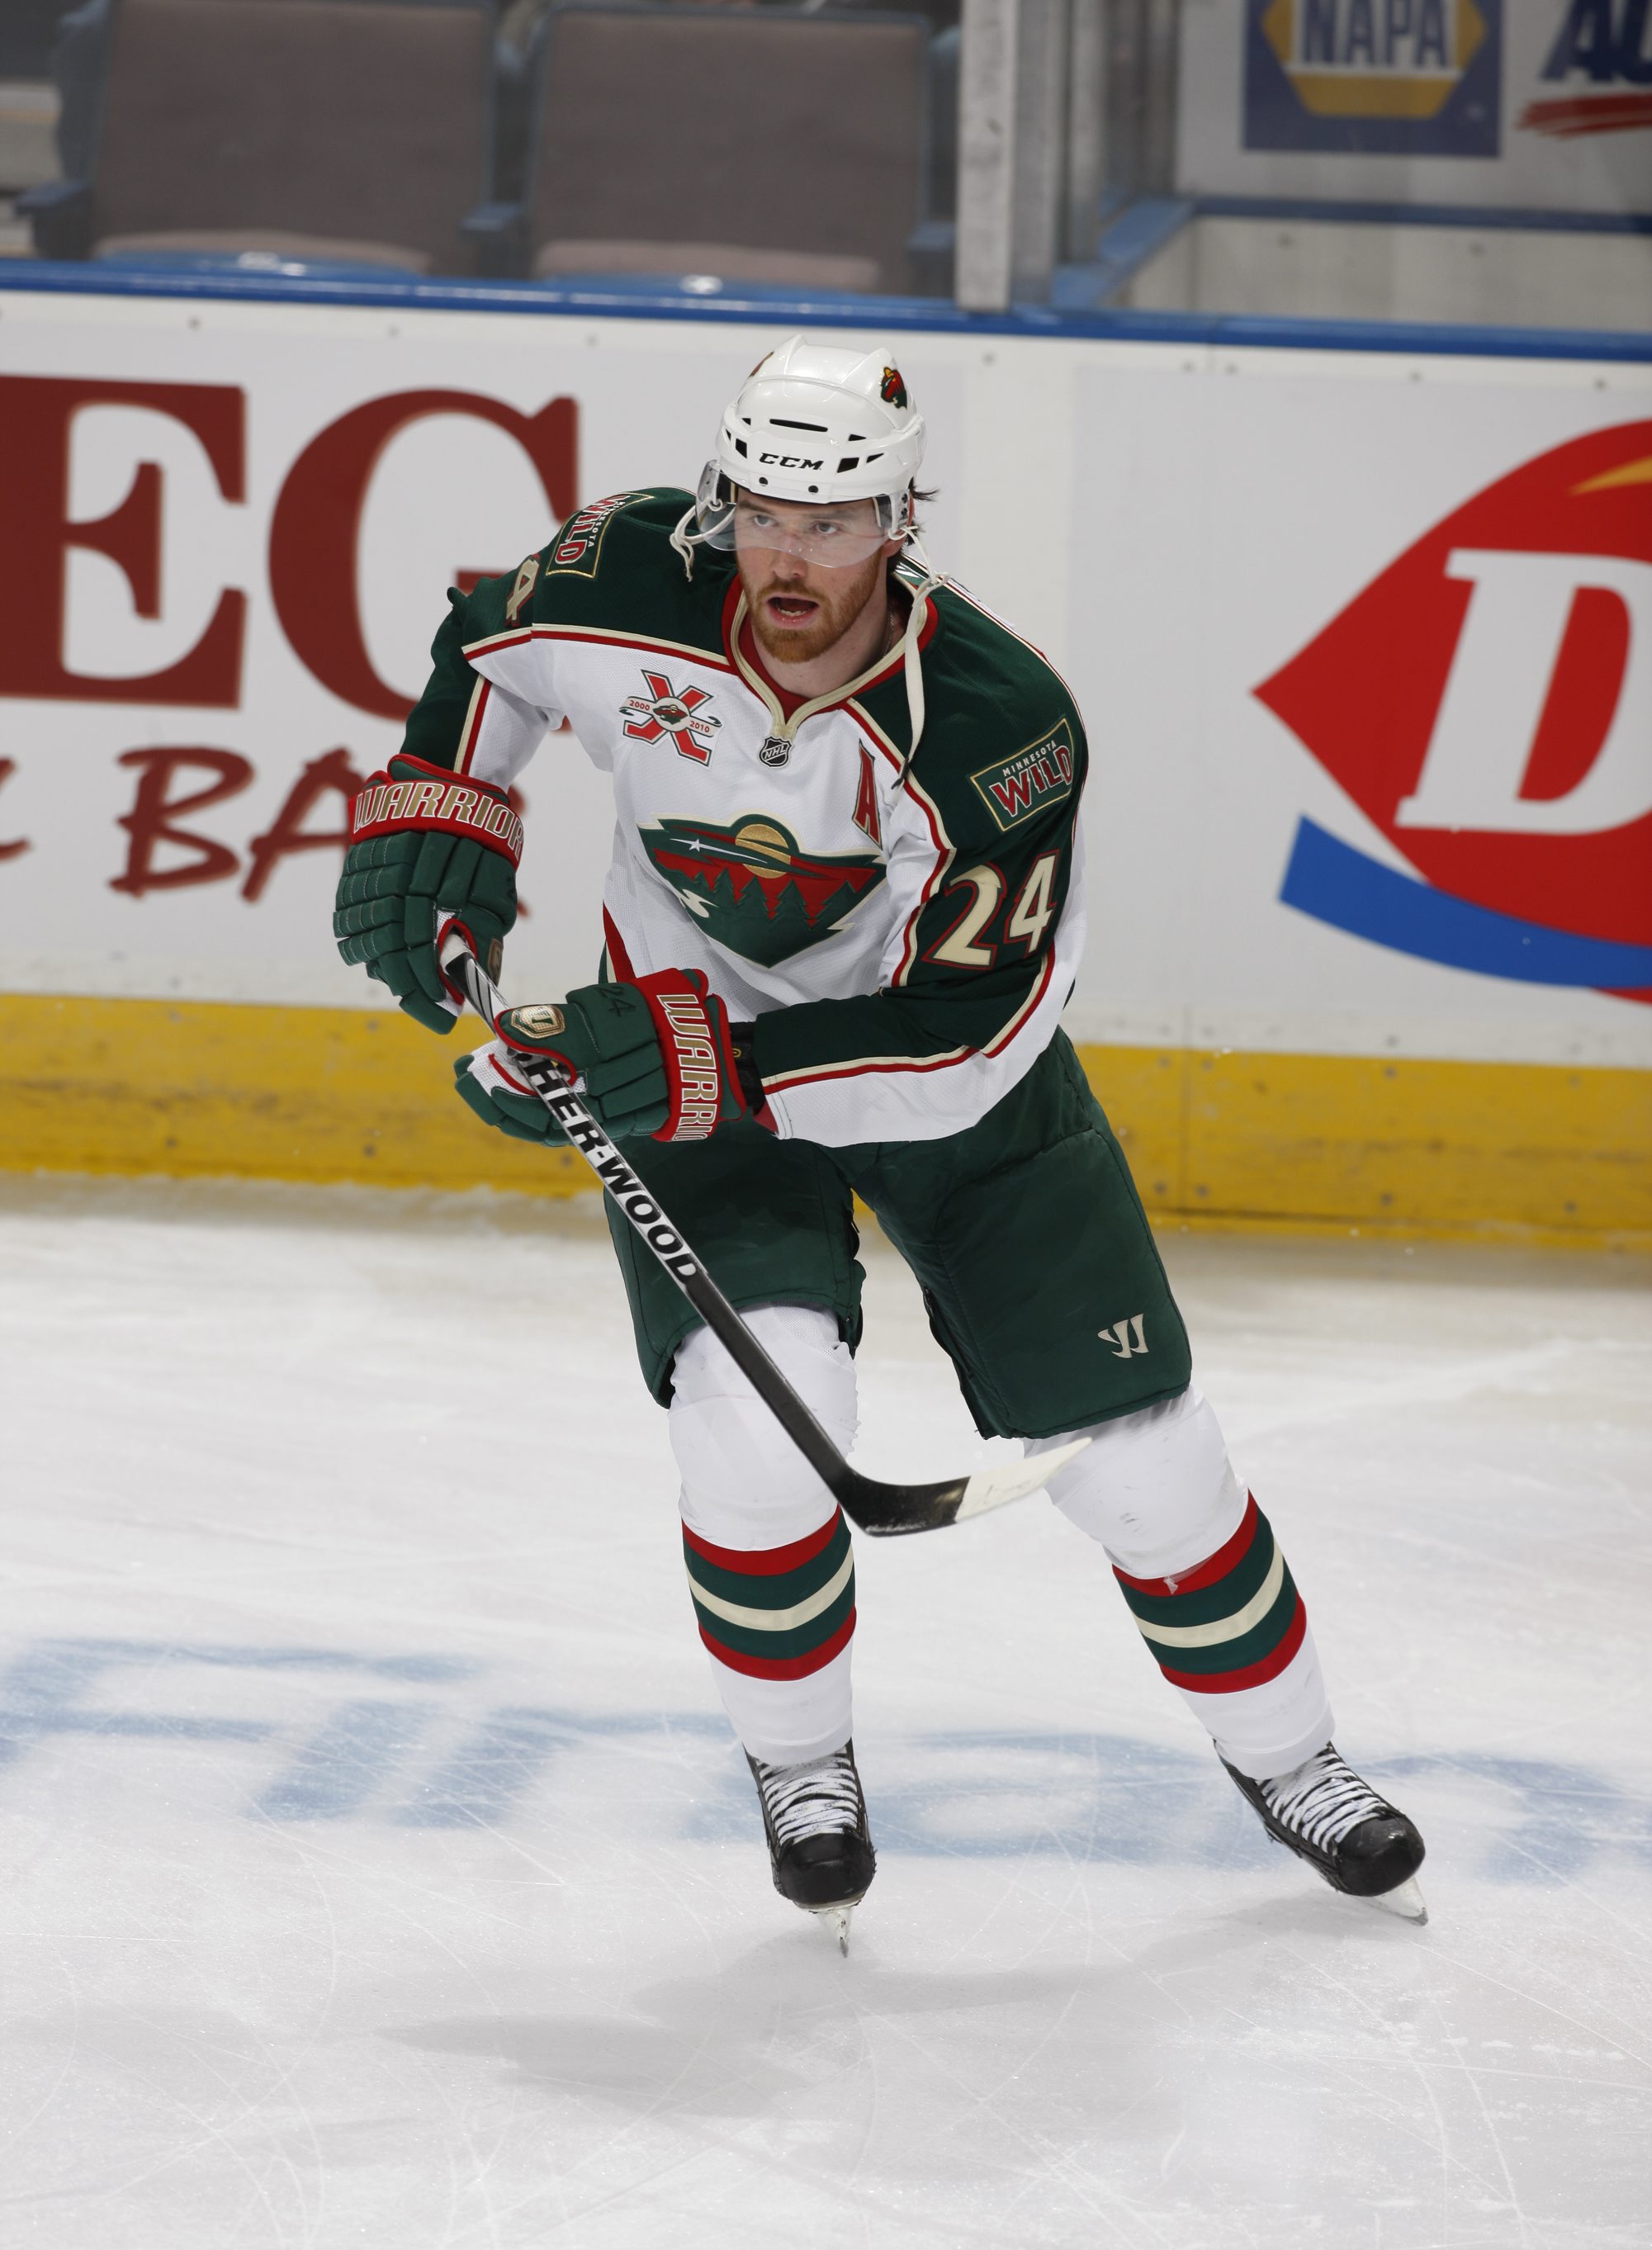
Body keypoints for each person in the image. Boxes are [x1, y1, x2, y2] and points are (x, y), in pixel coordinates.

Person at [334, 337, 1426, 1942]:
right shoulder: (615, 572)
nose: (791, 553)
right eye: (764, 510)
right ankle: (802, 1768)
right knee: (756, 1427)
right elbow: (485, 661)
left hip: (955, 1097)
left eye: (832, 523)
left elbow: (960, 1031)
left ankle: (1293, 1762)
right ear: (723, 499)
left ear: (896, 525)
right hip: (691, 1067)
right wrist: (447, 814)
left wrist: (697, 1060)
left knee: (1143, 1465)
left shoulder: (991, 721)